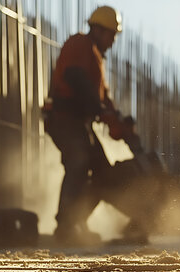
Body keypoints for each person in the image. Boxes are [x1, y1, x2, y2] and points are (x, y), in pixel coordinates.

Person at [45, 6, 122, 243]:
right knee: (78, 161)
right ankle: (65, 227)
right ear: (97, 30)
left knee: (103, 170)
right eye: (111, 34)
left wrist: (117, 118)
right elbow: (75, 77)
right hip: (63, 119)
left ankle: (77, 220)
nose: (112, 40)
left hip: (79, 123)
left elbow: (101, 97)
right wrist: (98, 108)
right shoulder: (79, 44)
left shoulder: (96, 58)